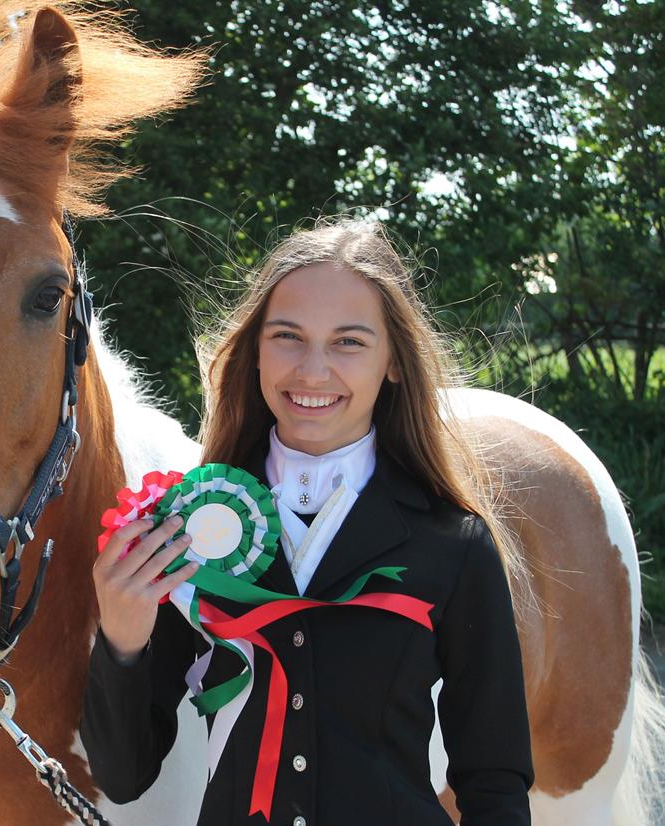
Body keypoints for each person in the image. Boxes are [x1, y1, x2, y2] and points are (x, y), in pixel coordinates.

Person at [81, 219, 533, 825]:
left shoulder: (454, 545)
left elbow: (495, 782)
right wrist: (123, 641)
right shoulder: (189, 530)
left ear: (394, 362)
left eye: (348, 342)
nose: (313, 371)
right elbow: (123, 775)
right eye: (288, 336)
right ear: (256, 351)